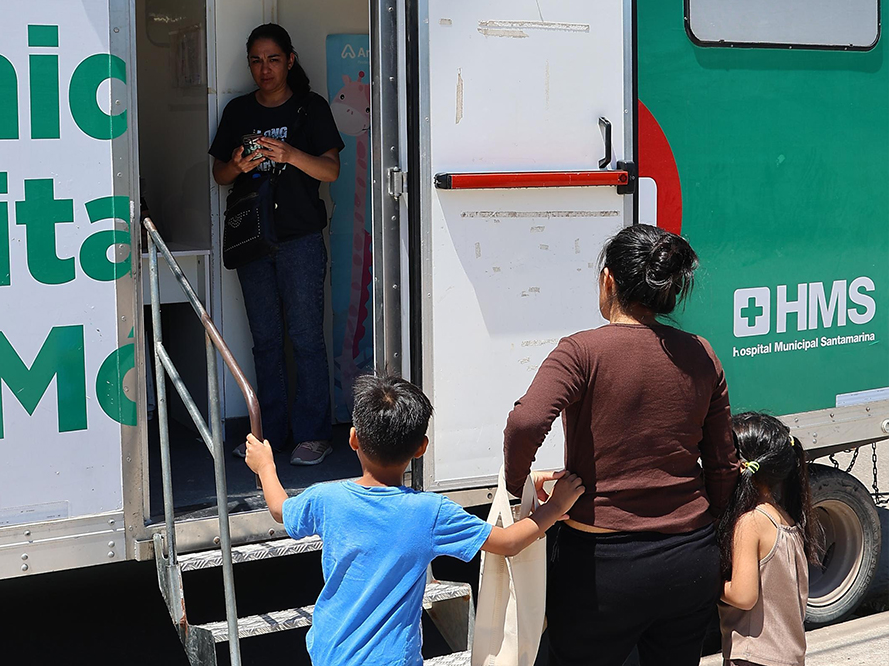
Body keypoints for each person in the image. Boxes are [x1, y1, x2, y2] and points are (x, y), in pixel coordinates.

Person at [503, 224, 740, 666]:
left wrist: (518, 490)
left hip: (602, 566)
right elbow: (724, 465)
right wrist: (709, 528)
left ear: (608, 279)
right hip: (689, 557)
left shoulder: (581, 351)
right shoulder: (701, 353)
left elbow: (527, 421)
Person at [244, 372, 585, 666]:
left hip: (331, 651)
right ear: (422, 447)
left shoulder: (326, 498)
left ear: (352, 439)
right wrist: (553, 509)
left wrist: (266, 467)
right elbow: (508, 543)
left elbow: (280, 510)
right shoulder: (429, 513)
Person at [209, 24, 344, 466]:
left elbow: (330, 171)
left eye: (272, 59)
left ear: (289, 59)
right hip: (253, 241)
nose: (263, 69)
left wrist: (288, 155)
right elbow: (220, 177)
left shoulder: (310, 108)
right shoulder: (238, 111)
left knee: (306, 338)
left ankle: (313, 435)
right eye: (255, 60)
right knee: (264, 341)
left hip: (300, 238)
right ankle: (268, 436)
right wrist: (236, 163)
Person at [718, 412, 820, 666]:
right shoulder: (786, 516)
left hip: (754, 655)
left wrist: (705, 582)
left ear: (742, 466)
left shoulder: (750, 522)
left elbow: (743, 596)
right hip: (788, 656)